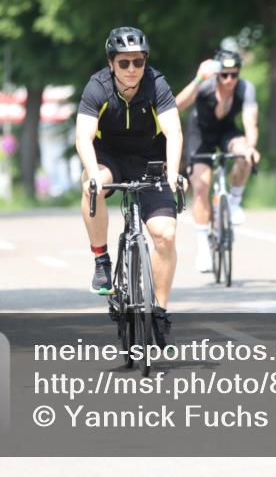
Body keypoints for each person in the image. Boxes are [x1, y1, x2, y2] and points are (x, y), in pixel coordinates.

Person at [75, 27, 183, 346]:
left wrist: (174, 172)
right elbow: (83, 136)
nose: (132, 69)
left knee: (166, 234)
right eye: (124, 63)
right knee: (91, 187)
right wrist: (92, 172)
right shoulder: (97, 87)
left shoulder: (156, 84)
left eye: (138, 62)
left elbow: (174, 132)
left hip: (150, 159)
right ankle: (101, 261)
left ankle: (159, 312)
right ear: (111, 63)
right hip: (109, 159)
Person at [176, 49, 260, 273]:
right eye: (224, 75)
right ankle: (203, 246)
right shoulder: (206, 85)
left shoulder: (245, 88)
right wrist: (198, 79)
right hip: (200, 134)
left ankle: (233, 203)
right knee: (202, 185)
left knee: (244, 156)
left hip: (226, 132)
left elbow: (250, 122)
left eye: (234, 74)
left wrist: (251, 147)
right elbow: (177, 105)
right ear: (217, 74)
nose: (229, 80)